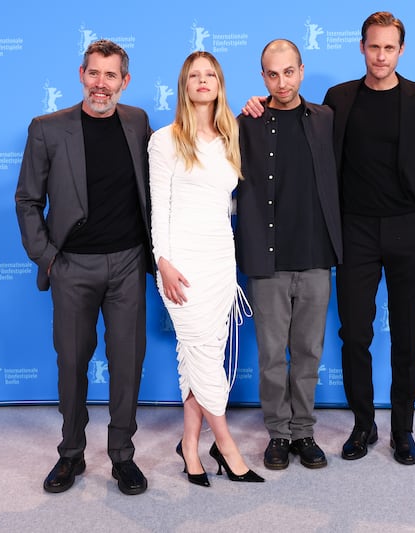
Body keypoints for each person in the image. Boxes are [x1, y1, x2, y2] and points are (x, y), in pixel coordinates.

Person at [243, 11, 415, 466]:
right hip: (354, 233)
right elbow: (294, 123)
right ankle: (363, 425)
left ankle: (403, 429)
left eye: (389, 48)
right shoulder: (338, 100)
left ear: (401, 51)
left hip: (408, 232)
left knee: (407, 336)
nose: (380, 55)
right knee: (354, 335)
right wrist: (256, 105)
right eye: (373, 46)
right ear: (361, 47)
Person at [15, 39, 153, 495]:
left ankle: (122, 457)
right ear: (81, 75)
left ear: (124, 81)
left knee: (127, 363)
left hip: (129, 264)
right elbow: (27, 200)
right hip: (72, 266)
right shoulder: (47, 129)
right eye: (94, 73)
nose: (101, 84)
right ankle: (70, 453)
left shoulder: (137, 122)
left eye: (111, 75)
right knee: (72, 362)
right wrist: (49, 259)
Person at [149, 51, 264, 486]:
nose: (203, 81)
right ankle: (228, 447)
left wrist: (256, 105)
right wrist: (164, 263)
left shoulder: (231, 136)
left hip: (220, 262)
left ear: (219, 83)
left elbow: (227, 204)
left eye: (210, 74)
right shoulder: (165, 140)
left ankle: (189, 446)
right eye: (194, 75)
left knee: (202, 356)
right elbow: (160, 209)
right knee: (201, 353)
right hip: (181, 263)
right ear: (184, 84)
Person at [235, 39, 342, 471]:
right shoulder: (246, 122)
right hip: (268, 258)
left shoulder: (326, 119)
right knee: (272, 355)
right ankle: (278, 433)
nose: (282, 82)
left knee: (308, 352)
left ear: (301, 70)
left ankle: (305, 433)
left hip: (316, 254)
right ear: (263, 77)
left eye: (289, 72)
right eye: (272, 74)